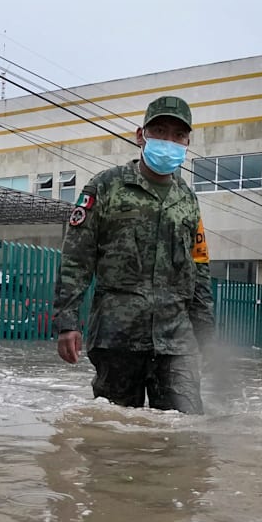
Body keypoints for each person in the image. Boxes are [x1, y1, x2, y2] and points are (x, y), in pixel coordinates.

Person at [52, 95, 214, 413]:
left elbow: (200, 266)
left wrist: (206, 333)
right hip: (117, 337)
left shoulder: (188, 200)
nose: (169, 141)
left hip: (176, 340)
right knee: (114, 439)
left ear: (187, 142)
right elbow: (76, 257)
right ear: (141, 135)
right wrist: (67, 321)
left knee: (185, 433)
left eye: (178, 135)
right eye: (160, 131)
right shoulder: (106, 187)